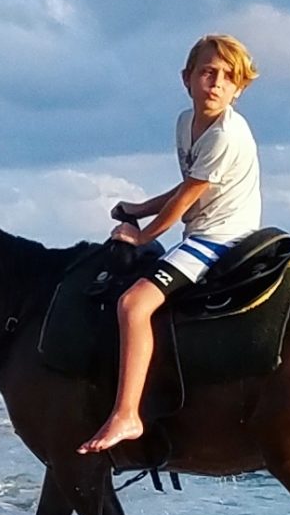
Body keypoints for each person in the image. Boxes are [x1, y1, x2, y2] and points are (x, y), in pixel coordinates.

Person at [78, 33, 261, 454]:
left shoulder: (225, 134)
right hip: (201, 229)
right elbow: (189, 185)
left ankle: (127, 414)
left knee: (133, 304)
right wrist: (141, 206)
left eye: (228, 77)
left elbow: (186, 199)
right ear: (188, 78)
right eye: (207, 72)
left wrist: (142, 234)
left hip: (221, 237)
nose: (215, 83)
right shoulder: (187, 122)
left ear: (239, 88)